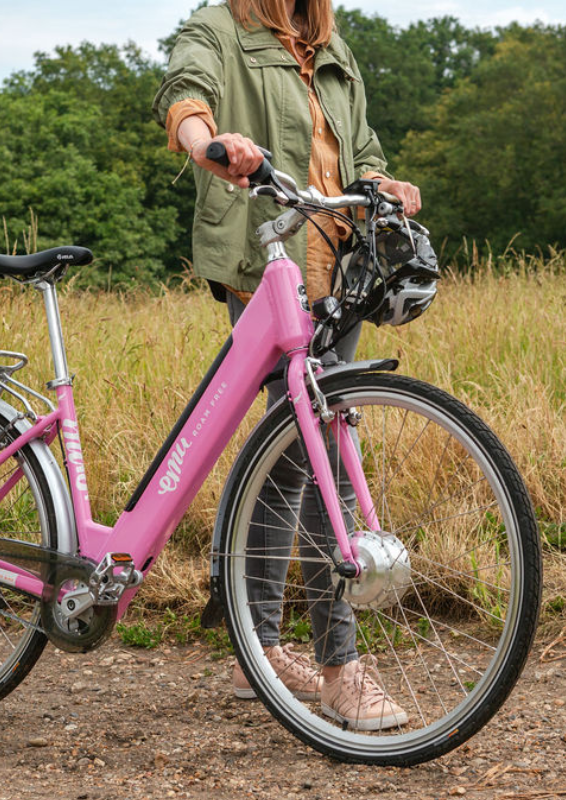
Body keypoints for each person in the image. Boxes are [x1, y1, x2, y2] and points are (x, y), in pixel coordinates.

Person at [153, 0, 422, 730]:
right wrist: (213, 143)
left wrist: (383, 183)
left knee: (288, 455)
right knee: (321, 448)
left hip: (341, 265)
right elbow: (183, 95)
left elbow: (359, 146)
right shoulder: (220, 27)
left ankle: (258, 646)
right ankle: (340, 668)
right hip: (267, 261)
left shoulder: (328, 45)